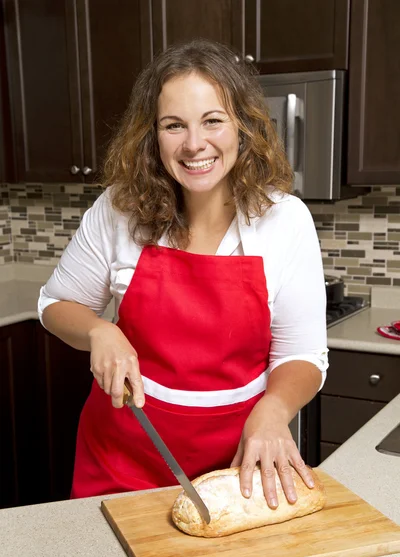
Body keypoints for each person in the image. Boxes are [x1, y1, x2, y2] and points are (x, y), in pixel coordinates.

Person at [38, 39, 328, 510]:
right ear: (152, 136)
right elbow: (54, 306)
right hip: (117, 467)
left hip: (236, 473)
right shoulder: (118, 210)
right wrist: (99, 331)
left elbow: (303, 355)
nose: (195, 144)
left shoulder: (285, 220)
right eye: (175, 126)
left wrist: (275, 410)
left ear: (243, 126)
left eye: (213, 120)